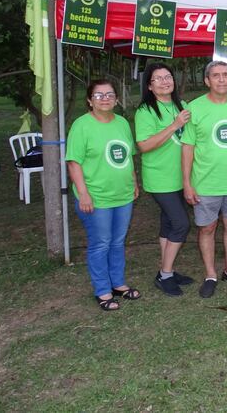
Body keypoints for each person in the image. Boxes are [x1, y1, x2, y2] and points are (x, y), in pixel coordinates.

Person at [181, 61, 227, 298]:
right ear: (207, 81)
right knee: (208, 228)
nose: (221, 80)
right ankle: (211, 274)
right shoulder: (195, 108)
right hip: (205, 182)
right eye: (216, 76)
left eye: (226, 75)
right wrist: (187, 183)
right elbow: (188, 147)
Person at [66, 79, 140, 311]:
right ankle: (102, 290)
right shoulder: (82, 125)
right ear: (90, 100)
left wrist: (134, 182)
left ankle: (118, 283)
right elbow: (74, 162)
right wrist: (84, 194)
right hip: (96, 197)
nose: (105, 98)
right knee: (101, 243)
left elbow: (127, 156)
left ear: (117, 99)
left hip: (123, 195)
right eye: (99, 95)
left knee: (117, 242)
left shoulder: (122, 123)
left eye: (109, 94)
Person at [135, 62, 194, 297]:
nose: (164, 81)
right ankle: (165, 274)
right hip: (160, 178)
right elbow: (144, 145)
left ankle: (167, 270)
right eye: (157, 79)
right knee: (181, 224)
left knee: (169, 224)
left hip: (183, 176)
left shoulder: (183, 105)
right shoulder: (145, 111)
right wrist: (175, 125)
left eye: (168, 76)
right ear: (149, 86)